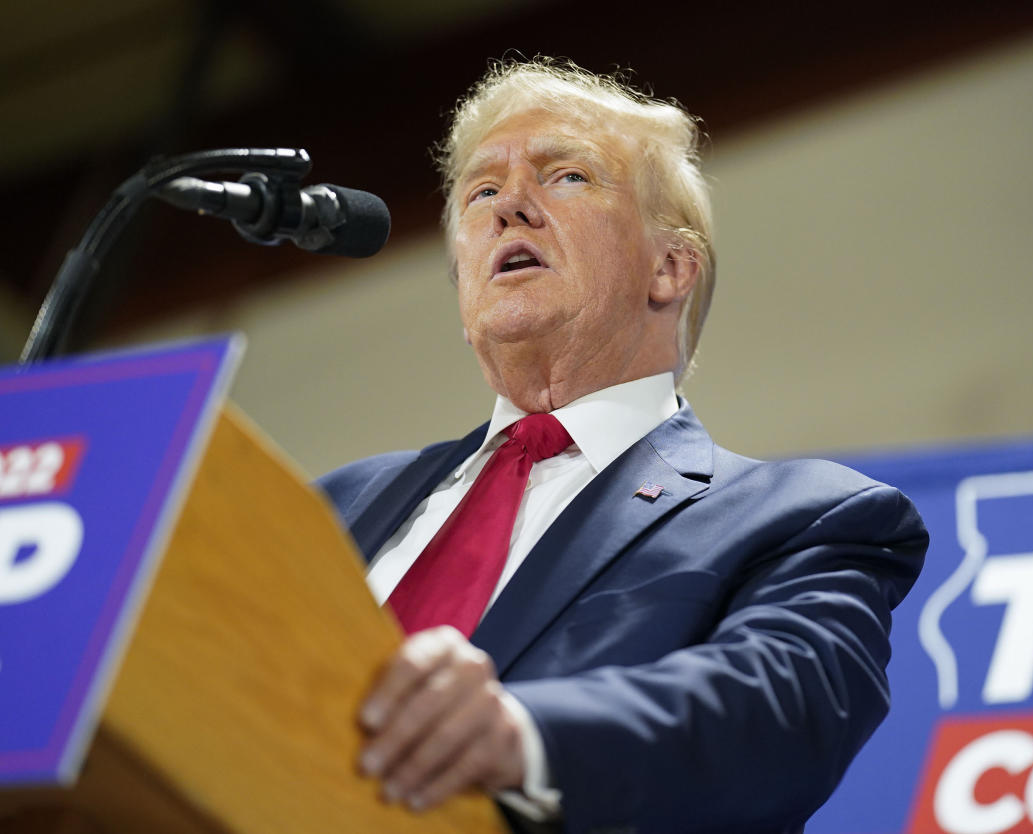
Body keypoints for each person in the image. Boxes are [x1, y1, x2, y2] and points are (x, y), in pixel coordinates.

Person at [318, 58, 928, 834]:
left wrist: (522, 737)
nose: (510, 206)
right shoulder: (333, 505)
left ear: (670, 267)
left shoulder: (802, 518)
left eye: (565, 176)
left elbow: (777, 708)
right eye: (480, 192)